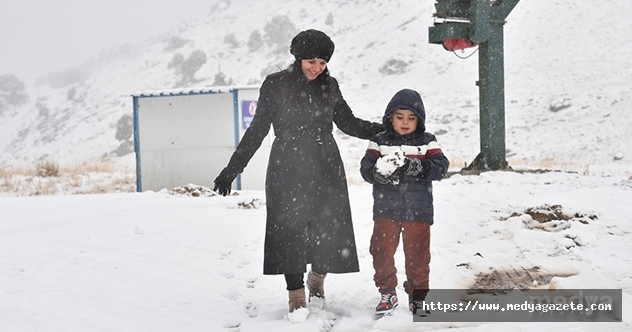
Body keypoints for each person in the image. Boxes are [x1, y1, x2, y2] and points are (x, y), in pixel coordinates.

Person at [212, 29, 384, 313]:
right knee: (288, 231)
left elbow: (348, 123)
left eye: (323, 62)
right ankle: (295, 297)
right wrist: (232, 169)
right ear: (299, 57)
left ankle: (317, 280)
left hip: (326, 163)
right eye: (312, 61)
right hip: (287, 166)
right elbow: (257, 130)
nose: (317, 68)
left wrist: (384, 130)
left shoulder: (330, 86)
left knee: (328, 229)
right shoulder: (275, 85)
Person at [359, 88, 449, 316]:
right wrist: (377, 173)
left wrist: (417, 166)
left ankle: (418, 296)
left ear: (419, 120)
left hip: (418, 210)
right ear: (390, 117)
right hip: (386, 208)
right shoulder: (379, 141)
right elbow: (366, 168)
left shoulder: (427, 142)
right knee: (381, 251)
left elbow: (441, 167)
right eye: (400, 117)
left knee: (418, 255)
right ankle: (387, 292)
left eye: (411, 118)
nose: (405, 122)